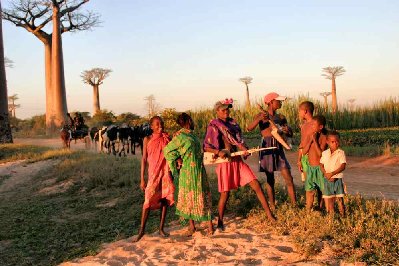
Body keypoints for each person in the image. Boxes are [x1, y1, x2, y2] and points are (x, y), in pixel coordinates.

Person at [204, 98, 276, 230]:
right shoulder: (213, 125)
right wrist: (218, 152)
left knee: (256, 184)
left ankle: (269, 215)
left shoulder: (233, 123)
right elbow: (206, 147)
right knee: (225, 194)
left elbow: (240, 142)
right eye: (223, 109)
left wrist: (245, 149)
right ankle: (220, 221)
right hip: (225, 162)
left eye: (228, 109)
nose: (226, 111)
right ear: (217, 111)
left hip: (237, 160)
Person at [163, 113, 214, 236]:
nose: (193, 122)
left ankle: (209, 225)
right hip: (188, 171)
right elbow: (167, 150)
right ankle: (192, 226)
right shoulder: (180, 136)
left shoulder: (192, 134)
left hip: (199, 170)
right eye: (191, 119)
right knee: (189, 198)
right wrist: (177, 159)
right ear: (188, 121)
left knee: (204, 194)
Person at [247, 92, 297, 210]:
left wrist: (287, 130)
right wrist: (260, 118)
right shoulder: (261, 115)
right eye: (278, 101)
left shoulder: (281, 117)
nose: (280, 103)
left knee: (288, 177)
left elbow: (290, 134)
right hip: (267, 147)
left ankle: (294, 206)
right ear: (270, 102)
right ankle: (272, 205)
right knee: (270, 178)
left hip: (278, 147)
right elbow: (249, 128)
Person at [134, 116, 175, 242]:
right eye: (157, 124)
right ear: (151, 126)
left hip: (165, 172)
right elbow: (144, 159)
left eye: (161, 123)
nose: (160, 126)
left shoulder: (167, 138)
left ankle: (161, 228)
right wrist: (142, 178)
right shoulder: (147, 139)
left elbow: (173, 154)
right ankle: (142, 230)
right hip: (153, 174)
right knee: (147, 201)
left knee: (164, 199)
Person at [297, 101, 324, 210]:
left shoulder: (317, 124)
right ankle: (310, 208)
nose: (298, 113)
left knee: (320, 185)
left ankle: (321, 206)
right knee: (310, 184)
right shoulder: (303, 126)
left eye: (299, 111)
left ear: (305, 111)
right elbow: (302, 144)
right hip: (306, 158)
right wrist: (299, 159)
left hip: (316, 159)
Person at [301, 115, 328, 212]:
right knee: (309, 190)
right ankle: (308, 209)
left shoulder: (324, 137)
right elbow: (304, 152)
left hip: (320, 168)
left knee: (322, 190)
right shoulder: (310, 136)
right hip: (310, 168)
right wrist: (311, 140)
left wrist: (315, 141)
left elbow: (320, 154)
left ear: (320, 127)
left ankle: (322, 208)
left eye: (313, 125)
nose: (311, 127)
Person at [320, 131, 347, 216]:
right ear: (327, 142)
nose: (335, 143)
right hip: (327, 179)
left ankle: (343, 216)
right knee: (329, 200)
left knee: (340, 200)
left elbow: (343, 166)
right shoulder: (325, 153)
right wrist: (326, 174)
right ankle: (330, 218)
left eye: (337, 141)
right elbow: (321, 165)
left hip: (337, 180)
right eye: (332, 142)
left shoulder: (341, 153)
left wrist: (331, 174)